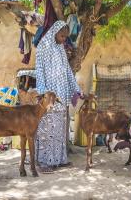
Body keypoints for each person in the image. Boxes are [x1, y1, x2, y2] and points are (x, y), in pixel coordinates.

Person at [35, 20, 82, 174]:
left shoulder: (60, 48)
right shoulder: (43, 47)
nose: (63, 39)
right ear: (55, 31)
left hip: (61, 97)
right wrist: (43, 94)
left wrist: (76, 88)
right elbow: (39, 71)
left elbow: (67, 70)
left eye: (65, 37)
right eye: (62, 36)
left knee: (60, 130)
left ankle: (59, 160)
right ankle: (43, 162)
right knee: (46, 129)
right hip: (49, 97)